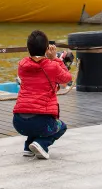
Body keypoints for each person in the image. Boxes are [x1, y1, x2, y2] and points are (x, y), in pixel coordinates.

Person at [13, 30, 72, 159]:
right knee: (61, 127)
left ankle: (28, 147)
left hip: (18, 122)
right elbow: (67, 78)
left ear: (28, 49)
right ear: (46, 48)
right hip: (41, 122)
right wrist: (56, 59)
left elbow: (36, 68)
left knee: (34, 115)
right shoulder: (53, 66)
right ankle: (41, 144)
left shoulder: (22, 65)